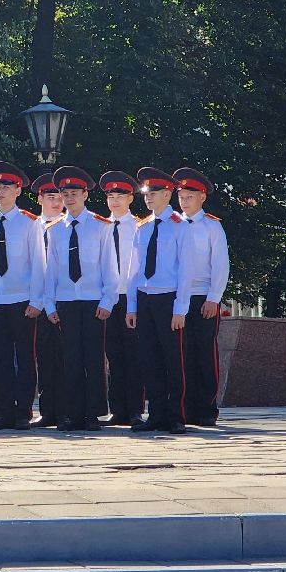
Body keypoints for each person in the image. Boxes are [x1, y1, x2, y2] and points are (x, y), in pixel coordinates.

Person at [42, 167, 119, 431]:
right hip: (66, 299)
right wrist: (49, 304)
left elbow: (110, 266)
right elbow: (51, 269)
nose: (69, 198)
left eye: (74, 193)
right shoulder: (54, 230)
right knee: (69, 358)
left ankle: (92, 413)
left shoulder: (100, 226)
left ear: (85, 194)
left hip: (92, 300)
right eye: (65, 193)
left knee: (93, 358)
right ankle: (72, 412)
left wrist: (108, 300)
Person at [0, 162, 46, 429]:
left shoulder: (29, 223)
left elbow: (39, 264)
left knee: (25, 358)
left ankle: (23, 412)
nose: (1, 191)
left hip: (22, 300)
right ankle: (5, 411)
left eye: (7, 186)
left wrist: (36, 300)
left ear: (18, 190)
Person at [126, 167, 190, 434]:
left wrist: (180, 309)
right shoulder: (142, 227)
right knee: (149, 359)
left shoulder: (179, 225)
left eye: (154, 193)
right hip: (146, 297)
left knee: (173, 360)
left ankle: (176, 415)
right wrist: (132, 305)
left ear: (167, 193)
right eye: (146, 193)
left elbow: (186, 270)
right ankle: (156, 414)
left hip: (168, 298)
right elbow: (134, 269)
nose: (148, 198)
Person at [173, 167, 230, 426]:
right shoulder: (172, 224)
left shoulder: (211, 226)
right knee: (180, 354)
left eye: (190, 196)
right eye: (182, 196)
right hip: (176, 298)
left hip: (202, 296)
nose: (184, 201)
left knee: (204, 353)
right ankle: (184, 408)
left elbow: (220, 264)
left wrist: (213, 297)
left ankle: (206, 409)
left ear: (202, 197)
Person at [99, 170, 143, 426]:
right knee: (113, 355)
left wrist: (135, 304)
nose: (115, 200)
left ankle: (135, 409)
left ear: (130, 199)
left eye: (120, 195)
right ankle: (118, 410)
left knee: (133, 355)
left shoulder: (139, 227)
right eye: (111, 195)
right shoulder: (101, 228)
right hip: (107, 297)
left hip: (129, 297)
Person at [32, 170, 65, 427]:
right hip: (34, 300)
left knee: (65, 355)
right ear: (40, 198)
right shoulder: (30, 226)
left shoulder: (68, 226)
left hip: (61, 299)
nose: (56, 202)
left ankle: (66, 408)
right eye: (50, 196)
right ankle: (47, 410)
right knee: (42, 356)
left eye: (59, 197)